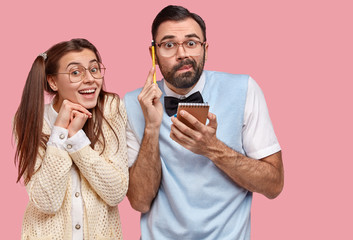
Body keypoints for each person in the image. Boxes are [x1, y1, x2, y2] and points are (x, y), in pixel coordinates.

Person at [125, 5, 284, 239]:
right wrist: (151, 127)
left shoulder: (245, 89)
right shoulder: (130, 103)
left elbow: (274, 185)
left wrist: (212, 148)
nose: (182, 54)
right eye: (169, 45)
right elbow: (139, 202)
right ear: (154, 53)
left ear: (205, 49)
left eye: (191, 43)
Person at [13, 38, 129, 240]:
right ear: (53, 81)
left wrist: (76, 140)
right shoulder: (31, 119)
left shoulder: (111, 109)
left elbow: (116, 192)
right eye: (76, 72)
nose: (90, 79)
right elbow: (46, 202)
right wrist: (59, 133)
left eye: (94, 69)